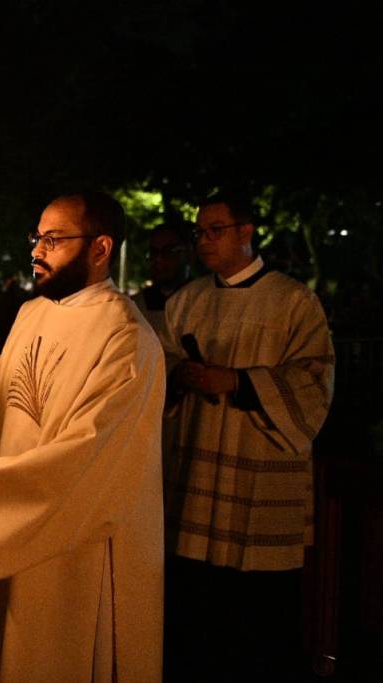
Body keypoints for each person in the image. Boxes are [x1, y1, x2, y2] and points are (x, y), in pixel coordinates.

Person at [0, 192, 165, 681]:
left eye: (54, 240)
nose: (37, 251)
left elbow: (86, 456)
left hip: (71, 546)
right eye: (36, 238)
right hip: (7, 528)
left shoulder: (126, 337)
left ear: (100, 248)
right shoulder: (31, 315)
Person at [160, 195, 334, 680]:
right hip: (197, 471)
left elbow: (315, 377)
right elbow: (159, 364)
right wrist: (180, 375)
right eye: (199, 232)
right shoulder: (186, 301)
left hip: (259, 472)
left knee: (256, 622)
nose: (204, 241)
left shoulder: (294, 301)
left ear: (246, 232)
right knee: (196, 613)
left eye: (215, 230)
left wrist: (238, 382)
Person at [132, 221, 193, 337]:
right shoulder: (136, 307)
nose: (158, 259)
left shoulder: (204, 301)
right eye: (154, 252)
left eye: (168, 251)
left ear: (189, 254)